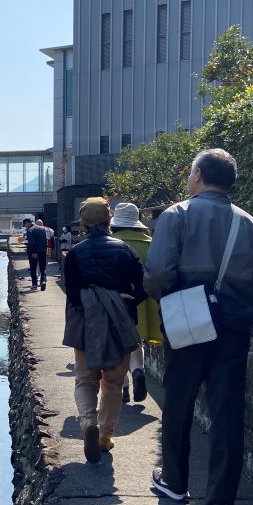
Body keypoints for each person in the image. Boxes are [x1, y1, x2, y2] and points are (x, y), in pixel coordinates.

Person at [145, 148, 253, 505]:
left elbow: (159, 273)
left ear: (197, 174)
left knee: (178, 402)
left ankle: (175, 483)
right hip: (233, 324)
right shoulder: (248, 223)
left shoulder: (177, 215)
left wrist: (168, 297)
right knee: (227, 411)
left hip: (188, 322)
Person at [62, 197, 147, 463]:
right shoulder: (124, 250)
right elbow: (145, 286)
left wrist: (95, 299)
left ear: (83, 223)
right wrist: (123, 299)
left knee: (85, 379)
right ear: (109, 219)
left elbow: (74, 295)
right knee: (112, 382)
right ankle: (104, 436)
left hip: (87, 326)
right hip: (120, 325)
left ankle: (88, 422)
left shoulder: (75, 253)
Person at [109, 202, 163, 404]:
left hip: (119, 301)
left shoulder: (112, 242)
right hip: (146, 299)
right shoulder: (151, 243)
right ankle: (138, 369)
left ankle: (124, 388)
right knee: (136, 341)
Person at [22, 217, 48, 290]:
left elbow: (31, 242)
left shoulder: (30, 230)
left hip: (33, 252)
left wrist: (33, 252)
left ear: (27, 223)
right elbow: (45, 241)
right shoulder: (42, 229)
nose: (25, 227)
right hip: (42, 251)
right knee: (42, 267)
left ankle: (34, 284)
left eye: (25, 225)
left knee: (33, 268)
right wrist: (44, 250)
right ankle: (43, 281)